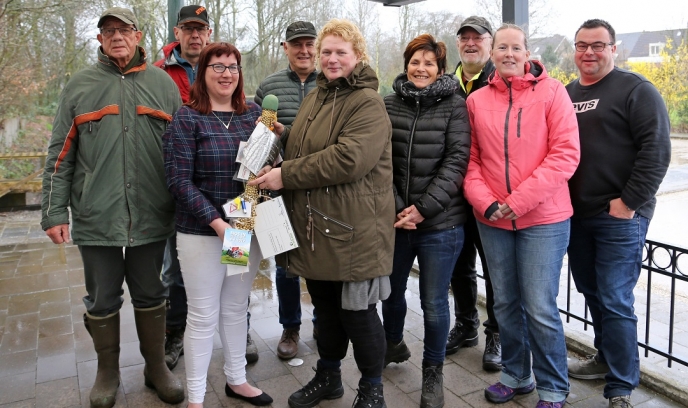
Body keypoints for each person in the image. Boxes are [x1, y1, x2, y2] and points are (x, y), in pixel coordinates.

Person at [40, 7, 184, 407]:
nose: (116, 36)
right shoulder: (80, 86)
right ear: (100, 40)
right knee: (101, 298)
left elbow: (180, 148)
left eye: (124, 30)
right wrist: (54, 213)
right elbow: (60, 152)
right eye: (108, 31)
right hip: (96, 214)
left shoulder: (162, 85)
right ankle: (107, 371)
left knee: (152, 291)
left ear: (138, 36)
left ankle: (156, 367)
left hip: (152, 212)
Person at [249, 18, 394, 408]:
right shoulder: (320, 94)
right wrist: (283, 137)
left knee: (359, 316)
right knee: (327, 312)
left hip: (355, 231)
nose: (331, 59)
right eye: (325, 52)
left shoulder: (367, 101)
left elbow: (348, 158)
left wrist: (285, 175)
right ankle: (329, 376)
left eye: (339, 52)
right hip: (320, 226)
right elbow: (309, 142)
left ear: (357, 56)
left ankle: (372, 389)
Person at [463, 24, 580, 408]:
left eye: (516, 47)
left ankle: (553, 386)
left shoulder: (553, 92)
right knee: (505, 304)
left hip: (544, 220)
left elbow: (565, 154)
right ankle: (516, 374)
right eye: (502, 47)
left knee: (540, 307)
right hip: (493, 219)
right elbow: (471, 160)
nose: (509, 54)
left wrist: (519, 200)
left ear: (528, 53)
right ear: (492, 53)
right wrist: (485, 202)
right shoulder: (477, 101)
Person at [565, 19, 671, 408]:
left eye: (598, 45)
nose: (588, 52)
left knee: (613, 296)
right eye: (581, 45)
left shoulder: (636, 90)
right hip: (577, 216)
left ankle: (621, 387)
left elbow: (656, 152)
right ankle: (605, 358)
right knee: (591, 291)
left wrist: (627, 203)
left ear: (613, 48)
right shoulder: (566, 93)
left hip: (620, 217)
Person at [163, 42, 274, 407]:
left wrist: (274, 164)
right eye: (218, 66)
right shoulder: (187, 117)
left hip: (243, 224)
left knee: (234, 306)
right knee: (202, 314)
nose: (227, 73)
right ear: (203, 73)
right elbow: (179, 180)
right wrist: (216, 223)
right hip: (202, 233)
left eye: (233, 67)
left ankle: (236, 380)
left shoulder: (254, 115)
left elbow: (262, 166)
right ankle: (196, 398)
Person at [381, 34, 470, 408]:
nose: (421, 69)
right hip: (397, 221)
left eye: (429, 63)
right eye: (415, 61)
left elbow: (456, 161)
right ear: (406, 64)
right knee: (390, 292)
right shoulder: (387, 104)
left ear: (440, 68)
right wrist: (400, 208)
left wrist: (422, 208)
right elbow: (379, 159)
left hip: (441, 224)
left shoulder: (455, 106)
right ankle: (393, 343)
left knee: (434, 303)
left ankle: (432, 373)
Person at [252, 20, 319, 361]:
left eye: (309, 44)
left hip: (321, 188)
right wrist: (265, 168)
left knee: (323, 258)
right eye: (297, 44)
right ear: (285, 48)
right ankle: (290, 327)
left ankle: (323, 323)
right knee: (285, 263)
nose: (304, 50)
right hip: (278, 189)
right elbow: (263, 136)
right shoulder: (270, 87)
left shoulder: (332, 83)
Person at [154, 3, 212, 370]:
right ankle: (175, 333)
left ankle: (243, 329)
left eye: (200, 29)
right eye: (188, 29)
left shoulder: (223, 67)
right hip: (181, 193)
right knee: (178, 270)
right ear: (177, 33)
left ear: (209, 33)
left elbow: (250, 120)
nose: (194, 35)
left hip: (231, 198)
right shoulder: (157, 74)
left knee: (235, 268)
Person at [446, 15, 503, 372]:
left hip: (490, 193)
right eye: (464, 38)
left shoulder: (501, 80)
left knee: (494, 269)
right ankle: (465, 324)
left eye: (477, 38)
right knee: (459, 266)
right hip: (454, 193)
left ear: (490, 43)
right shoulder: (447, 84)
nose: (470, 43)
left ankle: (496, 333)